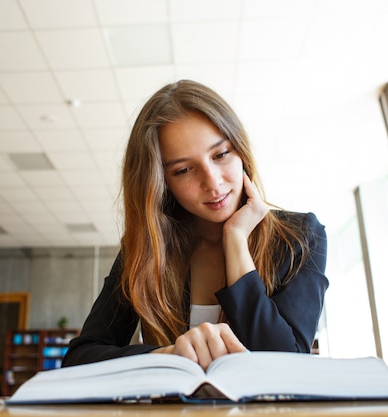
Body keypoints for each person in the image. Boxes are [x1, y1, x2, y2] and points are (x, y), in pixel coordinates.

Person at [62, 80, 328, 370]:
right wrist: (166, 356)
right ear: (161, 184)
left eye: (220, 154)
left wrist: (236, 241)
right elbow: (79, 359)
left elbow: (287, 364)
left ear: (240, 150)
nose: (212, 182)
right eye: (184, 170)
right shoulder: (147, 248)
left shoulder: (301, 236)